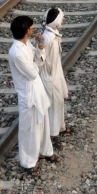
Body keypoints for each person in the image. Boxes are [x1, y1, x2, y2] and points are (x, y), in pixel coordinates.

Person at [8, 15, 58, 176]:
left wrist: (39, 47)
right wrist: (37, 60)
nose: (32, 29)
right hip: (28, 94)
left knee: (43, 124)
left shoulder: (26, 44)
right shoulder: (16, 52)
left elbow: (37, 62)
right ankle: (28, 162)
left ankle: (45, 150)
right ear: (26, 31)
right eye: (30, 27)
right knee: (29, 129)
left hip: (37, 91)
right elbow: (32, 73)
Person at [40, 8, 71, 141]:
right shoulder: (48, 38)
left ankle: (60, 127)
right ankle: (53, 133)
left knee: (59, 102)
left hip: (55, 74)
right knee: (54, 103)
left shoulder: (53, 34)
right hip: (50, 76)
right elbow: (40, 59)